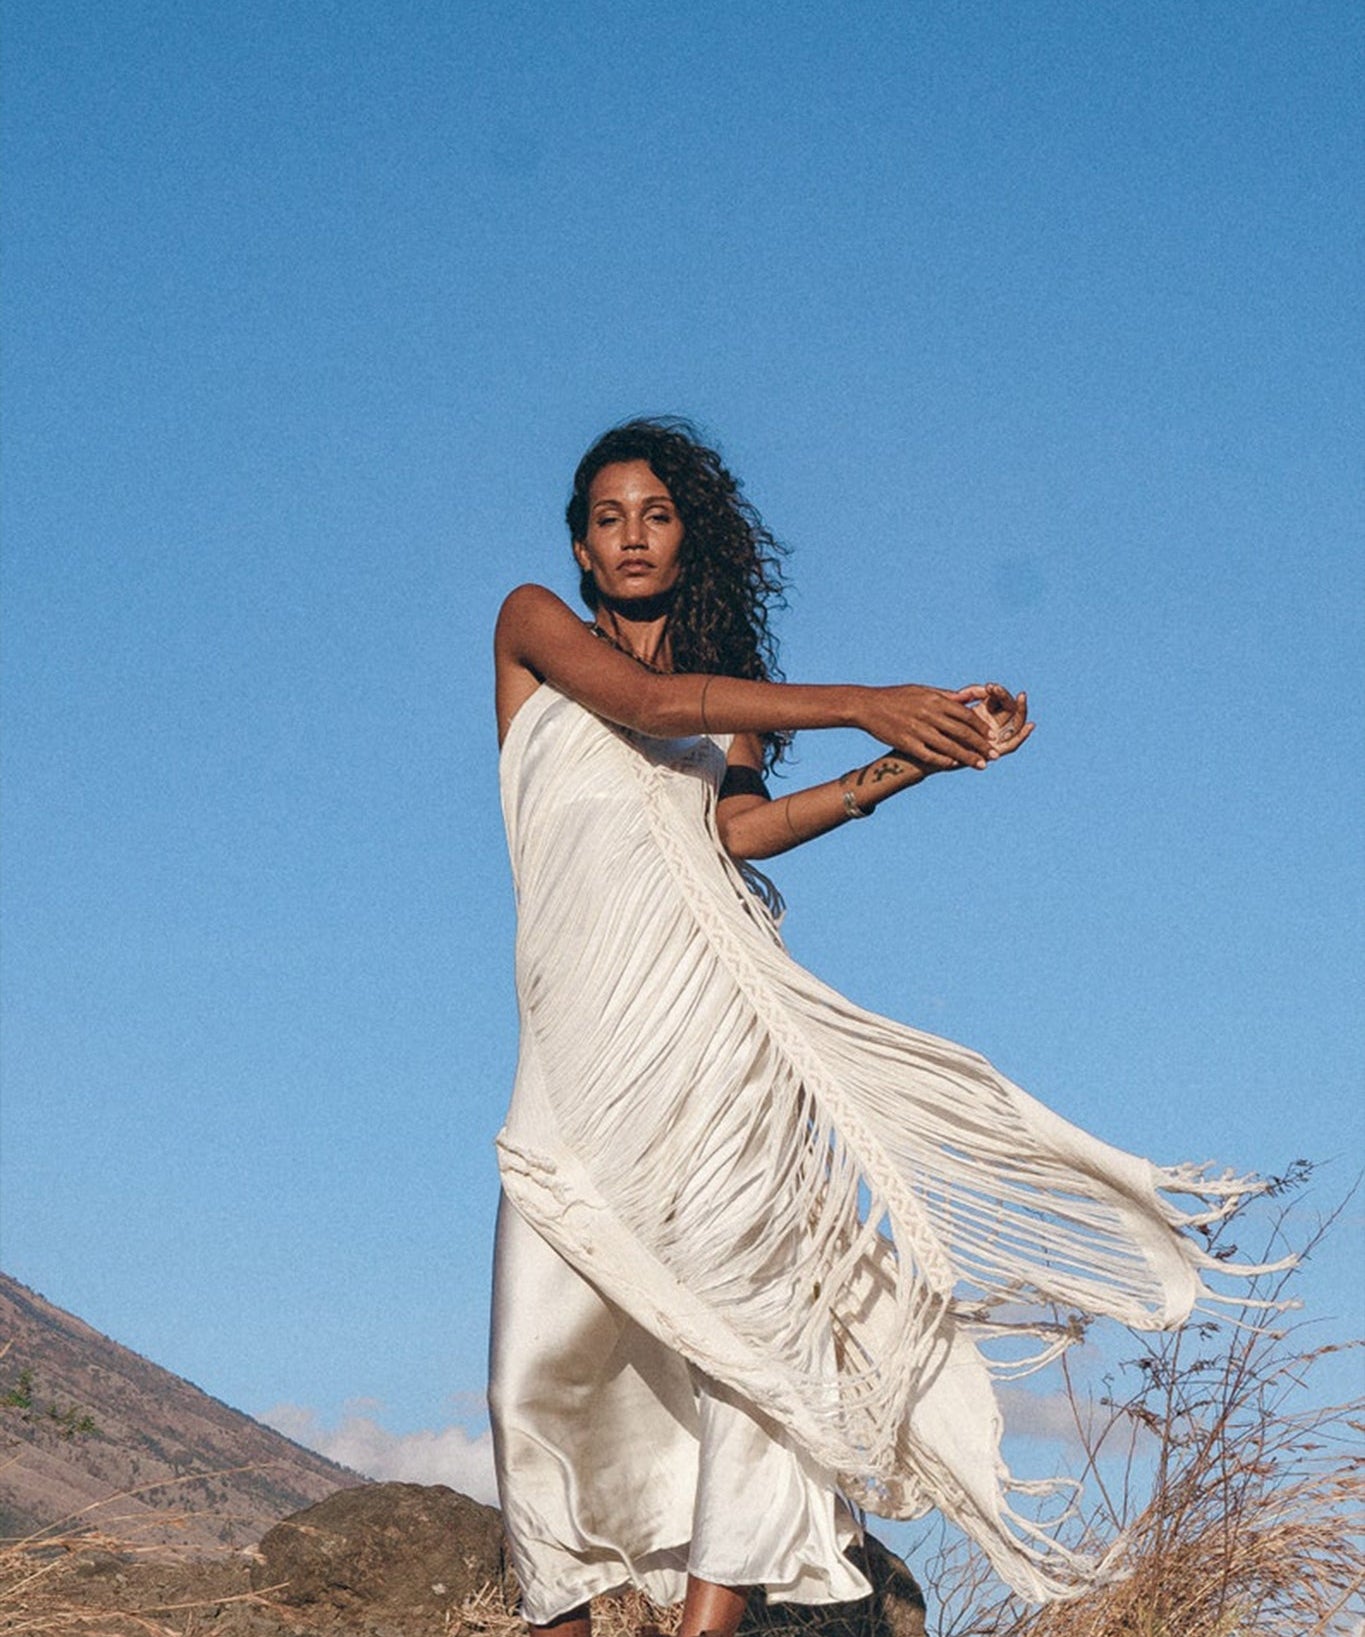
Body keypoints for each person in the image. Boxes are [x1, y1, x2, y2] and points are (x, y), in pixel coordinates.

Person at [489, 419, 1259, 1635]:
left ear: (688, 536)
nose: (631, 535)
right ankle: (565, 1606)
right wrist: (864, 701)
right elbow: (639, 701)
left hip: (704, 1028)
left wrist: (914, 759)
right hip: (578, 1031)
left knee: (747, 1318)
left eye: (657, 513)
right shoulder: (533, 626)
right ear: (579, 546)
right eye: (608, 517)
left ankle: (707, 1621)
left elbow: (735, 834)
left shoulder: (726, 695)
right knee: (536, 1359)